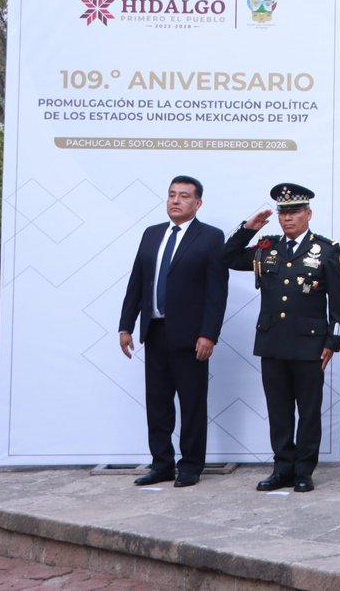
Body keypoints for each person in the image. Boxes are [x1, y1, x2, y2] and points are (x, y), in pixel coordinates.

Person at [223, 181, 340, 493]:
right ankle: (282, 468)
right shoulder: (268, 248)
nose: (287, 218)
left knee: (308, 411)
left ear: (308, 213)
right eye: (282, 212)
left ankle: (304, 470)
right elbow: (227, 257)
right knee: (278, 410)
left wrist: (333, 342)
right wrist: (247, 229)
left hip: (310, 345)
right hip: (273, 342)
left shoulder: (326, 250)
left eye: (294, 212)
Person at [117, 176, 227, 488]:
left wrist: (209, 333)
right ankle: (161, 464)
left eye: (183, 196)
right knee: (157, 403)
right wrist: (126, 325)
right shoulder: (151, 235)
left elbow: (216, 292)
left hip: (192, 337)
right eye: (171, 195)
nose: (175, 201)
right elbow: (137, 283)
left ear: (198, 203)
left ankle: (191, 465)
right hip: (155, 333)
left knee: (192, 403)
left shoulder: (210, 238)